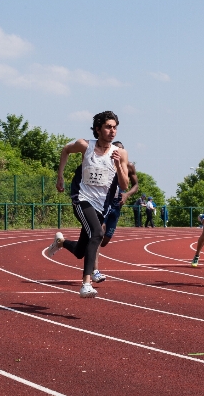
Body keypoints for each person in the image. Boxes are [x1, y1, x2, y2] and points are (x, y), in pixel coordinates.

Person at [45, 111, 129, 298]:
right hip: (82, 198)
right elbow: (65, 150)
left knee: (81, 251)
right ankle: (86, 284)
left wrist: (118, 166)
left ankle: (61, 242)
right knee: (98, 233)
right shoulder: (85, 145)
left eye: (115, 127)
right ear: (98, 129)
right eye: (108, 127)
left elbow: (124, 185)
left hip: (101, 206)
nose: (112, 131)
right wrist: (60, 176)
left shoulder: (120, 153)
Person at [90, 141, 139, 283]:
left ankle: (86, 248)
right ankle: (95, 270)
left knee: (104, 241)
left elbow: (136, 185)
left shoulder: (129, 166)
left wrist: (126, 194)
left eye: (121, 151)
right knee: (99, 233)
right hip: (102, 202)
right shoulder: (102, 162)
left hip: (116, 205)